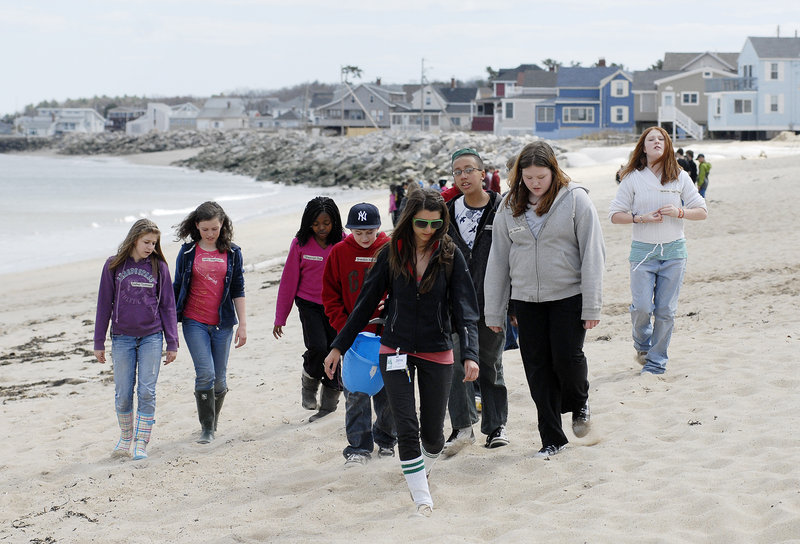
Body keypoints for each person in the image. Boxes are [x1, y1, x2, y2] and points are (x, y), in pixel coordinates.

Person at [323, 189, 480, 518]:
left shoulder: (450, 254)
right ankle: (422, 499)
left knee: (434, 436)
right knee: (406, 427)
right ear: (409, 220)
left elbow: (465, 310)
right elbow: (365, 303)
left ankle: (421, 472)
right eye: (421, 222)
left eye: (435, 224)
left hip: (437, 349)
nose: (428, 230)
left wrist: (470, 353)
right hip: (394, 347)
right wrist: (339, 345)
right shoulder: (391, 252)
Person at [484, 141, 605, 459]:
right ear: (518, 176)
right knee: (537, 369)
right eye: (528, 177)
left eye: (541, 176)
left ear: (554, 171)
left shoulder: (576, 200)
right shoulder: (509, 206)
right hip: (526, 300)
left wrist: (592, 304)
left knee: (567, 359)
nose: (535, 183)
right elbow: (498, 259)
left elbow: (593, 253)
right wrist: (495, 311)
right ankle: (552, 439)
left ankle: (579, 401)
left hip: (569, 295)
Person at [609, 126, 707, 375]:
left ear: (667, 145)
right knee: (642, 307)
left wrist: (680, 212)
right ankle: (643, 345)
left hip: (674, 252)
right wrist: (640, 218)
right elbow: (615, 215)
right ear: (643, 147)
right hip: (642, 252)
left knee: (666, 311)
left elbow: (702, 211)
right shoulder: (632, 177)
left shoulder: (680, 176)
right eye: (650, 139)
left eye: (661, 139)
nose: (656, 142)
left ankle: (656, 363)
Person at [442, 147, 509, 456]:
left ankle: (495, 427)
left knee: (490, 364)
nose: (463, 176)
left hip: (493, 301)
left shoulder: (503, 208)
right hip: (455, 306)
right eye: (457, 171)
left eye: (469, 169)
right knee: (455, 363)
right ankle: (463, 426)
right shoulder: (445, 211)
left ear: (484, 174)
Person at [94, 219, 178, 460]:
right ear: (134, 239)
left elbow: (168, 305)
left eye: (154, 243)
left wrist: (172, 342)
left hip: (152, 336)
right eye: (146, 242)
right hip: (122, 338)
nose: (150, 247)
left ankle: (141, 442)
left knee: (147, 391)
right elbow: (103, 305)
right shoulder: (113, 265)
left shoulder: (159, 266)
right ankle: (125, 437)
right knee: (122, 392)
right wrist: (98, 341)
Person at [322, 203, 397, 467]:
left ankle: (387, 440)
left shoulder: (392, 249)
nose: (364, 238)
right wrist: (346, 330)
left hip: (386, 334)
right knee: (355, 392)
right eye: (358, 232)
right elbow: (330, 296)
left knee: (388, 392)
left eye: (370, 232)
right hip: (353, 338)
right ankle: (358, 447)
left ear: (379, 228)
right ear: (349, 230)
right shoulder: (339, 252)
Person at [174, 201, 246, 444]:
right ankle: (207, 428)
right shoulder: (187, 253)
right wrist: (168, 324)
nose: (210, 233)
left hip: (223, 324)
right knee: (205, 373)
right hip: (194, 322)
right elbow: (176, 287)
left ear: (222, 225)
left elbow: (238, 289)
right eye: (205, 229)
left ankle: (213, 421)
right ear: (197, 226)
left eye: (214, 228)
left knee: (220, 379)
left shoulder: (233, 253)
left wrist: (243, 324)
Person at [274, 196, 345, 421]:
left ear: (334, 221)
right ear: (308, 223)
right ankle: (309, 380)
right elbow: (288, 282)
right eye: (316, 224)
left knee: (335, 349)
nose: (321, 228)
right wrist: (280, 317)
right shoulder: (300, 244)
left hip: (336, 305)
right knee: (318, 346)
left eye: (326, 223)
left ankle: (329, 401)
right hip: (308, 303)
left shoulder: (343, 241)